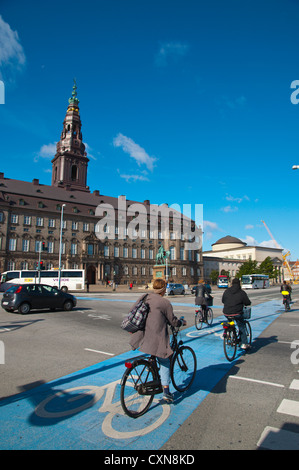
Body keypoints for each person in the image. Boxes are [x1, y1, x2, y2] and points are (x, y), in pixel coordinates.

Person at [129, 278, 186, 403]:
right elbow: (173, 321)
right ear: (164, 289)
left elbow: (132, 311)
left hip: (143, 336)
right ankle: (166, 391)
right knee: (165, 361)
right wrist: (181, 322)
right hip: (156, 337)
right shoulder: (164, 303)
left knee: (154, 353)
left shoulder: (145, 297)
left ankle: (151, 366)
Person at [222, 278, 251, 350]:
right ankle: (244, 343)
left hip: (227, 312)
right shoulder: (241, 292)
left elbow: (223, 300)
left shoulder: (226, 291)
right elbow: (247, 302)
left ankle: (229, 334)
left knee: (230, 322)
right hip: (237, 313)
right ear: (239, 284)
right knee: (241, 326)